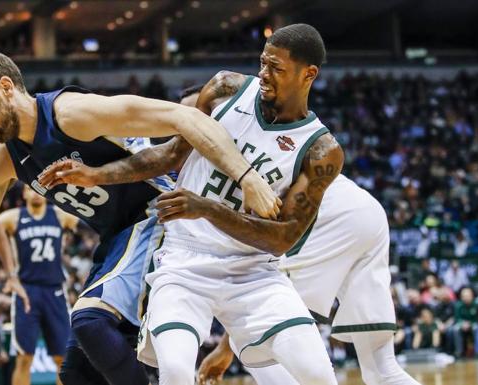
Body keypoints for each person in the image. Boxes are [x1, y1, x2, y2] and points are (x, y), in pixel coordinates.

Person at [42, 23, 420, 385]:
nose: (264, 74)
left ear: (309, 74)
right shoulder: (225, 89)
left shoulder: (322, 150)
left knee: (319, 375)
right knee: (175, 371)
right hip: (185, 259)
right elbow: (169, 156)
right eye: (262, 62)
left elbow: (281, 239)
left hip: (255, 271)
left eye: (276, 67)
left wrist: (206, 207)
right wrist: (95, 174)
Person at [0, 49, 280, 385]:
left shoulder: (70, 113)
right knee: (78, 374)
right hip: (118, 236)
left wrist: (246, 176)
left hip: (160, 215)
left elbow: (181, 116)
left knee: (90, 321)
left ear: (5, 87)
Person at [0, 185, 78, 385]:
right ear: (24, 193)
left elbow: (91, 223)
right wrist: (9, 273)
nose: (36, 192)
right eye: (31, 189)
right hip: (26, 292)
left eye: (40, 188)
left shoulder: (61, 215)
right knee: (24, 358)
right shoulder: (12, 218)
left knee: (62, 359)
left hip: (55, 291)